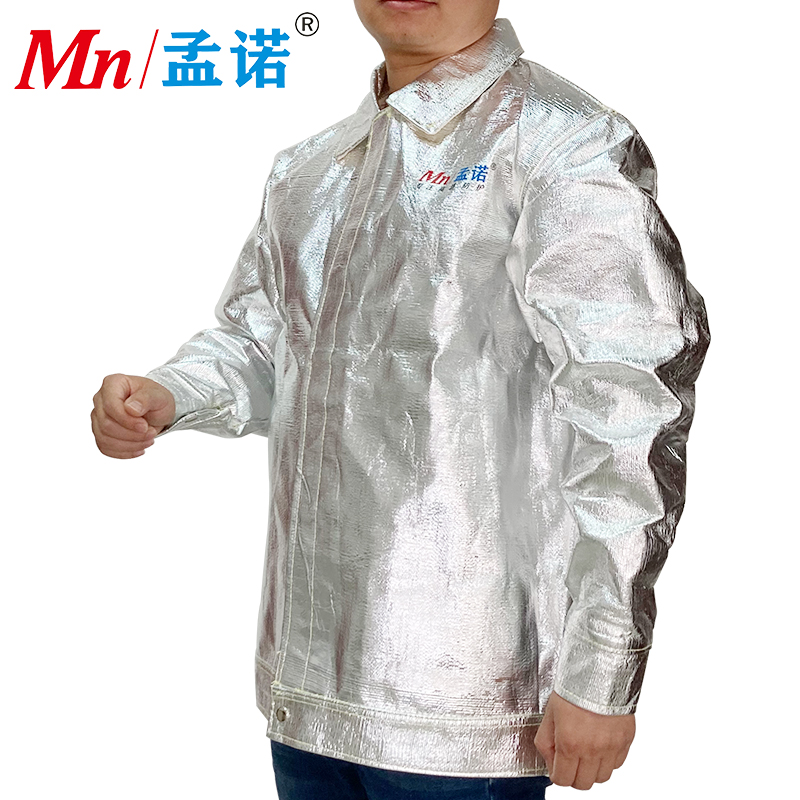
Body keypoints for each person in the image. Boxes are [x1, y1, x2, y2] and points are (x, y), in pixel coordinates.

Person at [90, 0, 710, 796]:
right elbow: (269, 344)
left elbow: (631, 407)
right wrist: (170, 393)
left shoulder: (561, 143)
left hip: (472, 700)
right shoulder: (313, 167)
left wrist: (602, 667)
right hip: (307, 685)